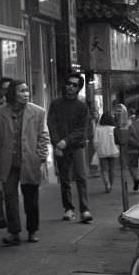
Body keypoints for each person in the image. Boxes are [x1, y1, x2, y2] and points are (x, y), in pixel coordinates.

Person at [0, 80, 50, 245]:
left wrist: (41, 156)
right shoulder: (0, 113)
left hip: (29, 161)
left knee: (31, 197)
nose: (26, 94)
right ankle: (14, 232)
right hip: (7, 163)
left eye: (27, 91)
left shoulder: (38, 112)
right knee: (10, 197)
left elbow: (43, 136)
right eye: (22, 91)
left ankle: (32, 230)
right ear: (12, 94)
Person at [47, 72, 92, 223]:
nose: (71, 87)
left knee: (81, 176)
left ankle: (84, 209)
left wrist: (66, 141)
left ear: (79, 88)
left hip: (76, 146)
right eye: (69, 83)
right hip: (61, 146)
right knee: (65, 178)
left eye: (75, 85)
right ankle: (68, 208)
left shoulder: (82, 106)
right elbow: (51, 124)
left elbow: (82, 129)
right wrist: (56, 143)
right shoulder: (56, 104)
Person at [93, 112, 120, 193]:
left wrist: (97, 150)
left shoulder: (98, 129)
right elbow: (118, 141)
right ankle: (110, 185)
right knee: (112, 169)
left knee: (104, 170)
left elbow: (95, 142)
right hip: (113, 151)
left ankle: (107, 184)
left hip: (102, 152)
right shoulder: (114, 128)